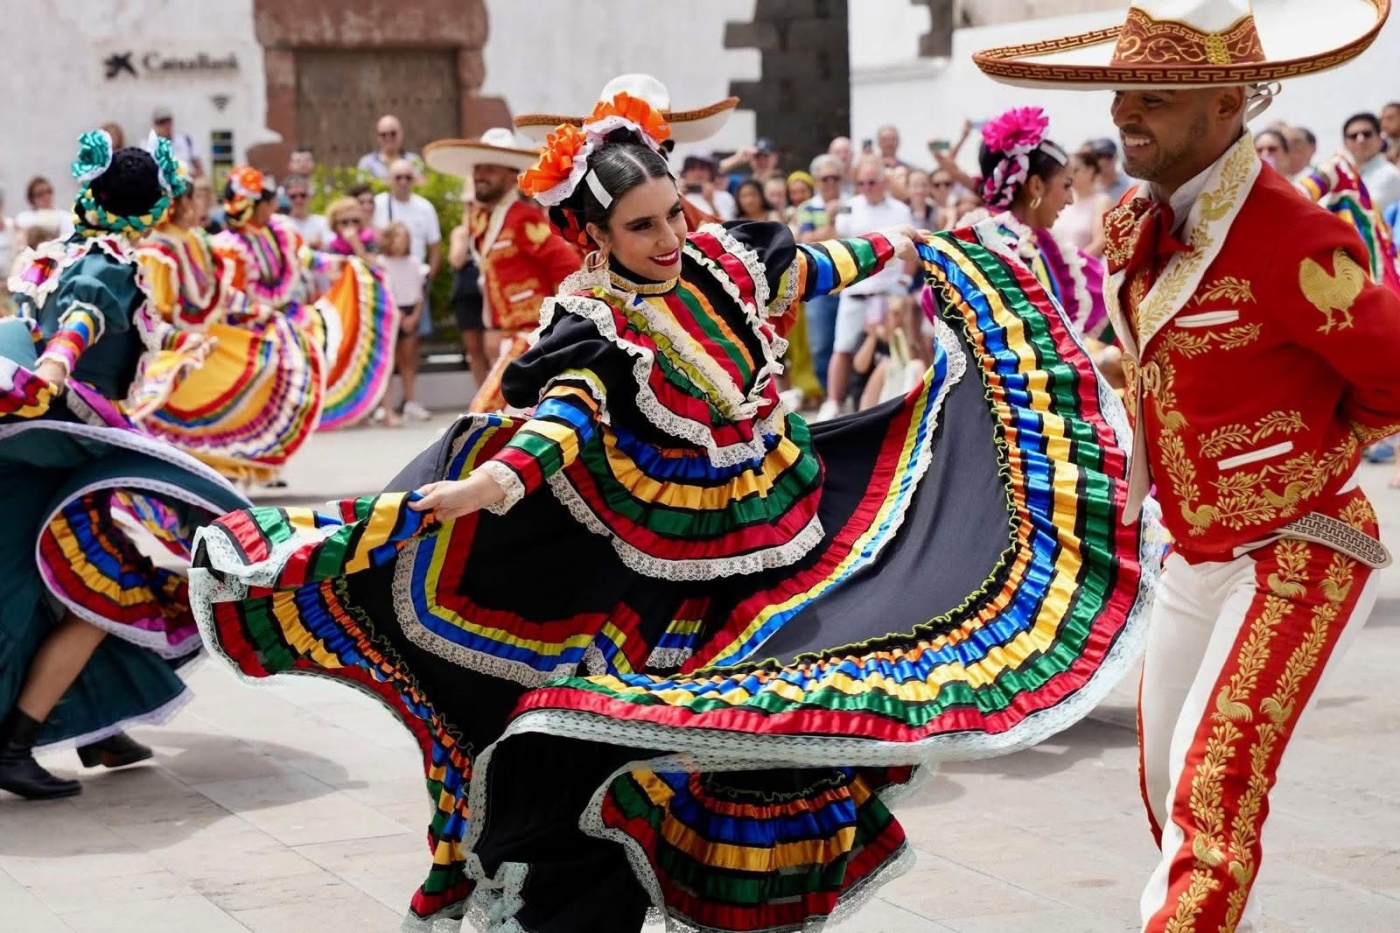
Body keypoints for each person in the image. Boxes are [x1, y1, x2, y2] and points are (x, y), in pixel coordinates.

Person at [190, 90, 1152, 933]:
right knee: (614, 760)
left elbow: (815, 266)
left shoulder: (724, 263)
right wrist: (490, 485)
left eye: (674, 214)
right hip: (655, 591)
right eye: (644, 228)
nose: (669, 239)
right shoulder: (595, 325)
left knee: (791, 735)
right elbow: (565, 420)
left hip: (781, 544)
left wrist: (917, 246)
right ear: (596, 237)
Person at [974, 2, 1400, 930]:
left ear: (1227, 105)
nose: (1127, 110)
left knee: (1214, 789)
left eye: (1155, 97)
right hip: (1190, 553)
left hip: (1299, 543)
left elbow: (1392, 371)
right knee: (1167, 779)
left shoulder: (1291, 233)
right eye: (1123, 90)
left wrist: (1306, 452)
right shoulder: (1136, 219)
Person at [0, 131, 247, 800]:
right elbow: (78, 324)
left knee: (65, 589)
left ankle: (97, 725)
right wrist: (51, 371)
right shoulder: (106, 266)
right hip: (66, 451)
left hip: (46, 452)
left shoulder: (56, 254)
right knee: (102, 592)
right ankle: (15, 743)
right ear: (149, 210)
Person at [136, 163, 325, 482]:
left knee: (271, 360)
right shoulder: (158, 250)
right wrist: (183, 342)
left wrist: (258, 311)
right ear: (179, 204)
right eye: (193, 199)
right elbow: (153, 314)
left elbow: (216, 293)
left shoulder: (195, 241)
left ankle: (212, 475)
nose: (199, 206)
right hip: (173, 348)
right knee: (165, 413)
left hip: (206, 339)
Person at [425, 127, 581, 413]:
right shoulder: (484, 221)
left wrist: (560, 326)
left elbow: (569, 267)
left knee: (482, 415)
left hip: (532, 337)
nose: (480, 175)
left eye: (490, 169)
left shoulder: (523, 219)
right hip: (510, 335)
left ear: (512, 177)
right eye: (478, 168)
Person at [209, 166, 328, 478]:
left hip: (278, 326)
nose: (275, 207)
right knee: (245, 404)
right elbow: (227, 297)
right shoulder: (225, 247)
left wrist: (341, 265)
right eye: (269, 202)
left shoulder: (280, 231)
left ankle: (269, 464)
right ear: (253, 205)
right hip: (242, 332)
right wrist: (259, 313)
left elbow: (303, 259)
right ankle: (242, 465)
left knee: (277, 399)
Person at [977, 107, 1112, 352]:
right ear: (1037, 186)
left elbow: (1110, 299)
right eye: (1066, 185)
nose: (1070, 200)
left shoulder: (1045, 246)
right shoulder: (1000, 248)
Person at [818, 154, 915, 420]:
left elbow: (913, 248)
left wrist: (904, 284)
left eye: (872, 182)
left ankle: (896, 399)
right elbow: (835, 242)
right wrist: (828, 220)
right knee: (843, 347)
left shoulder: (900, 210)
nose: (866, 188)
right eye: (861, 183)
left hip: (889, 291)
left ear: (884, 182)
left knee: (896, 346)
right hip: (856, 289)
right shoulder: (850, 206)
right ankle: (834, 401)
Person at [312, 197, 400, 431]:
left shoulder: (369, 241)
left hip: (372, 309)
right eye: (343, 222)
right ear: (334, 225)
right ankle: (357, 411)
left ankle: (387, 410)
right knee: (349, 358)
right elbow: (332, 277)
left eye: (354, 221)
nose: (349, 226)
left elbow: (377, 267)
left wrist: (357, 246)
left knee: (381, 358)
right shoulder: (332, 249)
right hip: (347, 312)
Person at [373, 159, 442, 421]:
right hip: (389, 298)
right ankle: (384, 404)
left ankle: (410, 401)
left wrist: (426, 279)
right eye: (397, 176)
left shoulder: (424, 207)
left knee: (411, 350)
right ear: (390, 179)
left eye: (407, 176)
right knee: (386, 355)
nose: (402, 181)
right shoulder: (379, 204)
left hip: (415, 288)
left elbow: (435, 246)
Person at [1055, 150, 1113, 256]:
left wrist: (1073, 263)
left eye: (1075, 170)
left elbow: (1101, 241)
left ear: (1090, 171)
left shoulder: (1101, 201)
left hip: (1084, 267)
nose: (1070, 176)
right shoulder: (1063, 198)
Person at [1342, 112, 1400, 211]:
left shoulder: (1392, 176)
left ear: (1380, 139)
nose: (1360, 140)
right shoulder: (1341, 175)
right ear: (1345, 143)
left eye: (1367, 134)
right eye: (1353, 136)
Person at [357, 114, 425, 181]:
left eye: (393, 134)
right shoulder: (366, 163)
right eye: (383, 135)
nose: (388, 138)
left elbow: (422, 185)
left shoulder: (414, 160)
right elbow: (362, 188)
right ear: (378, 138)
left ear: (401, 135)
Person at [147, 106, 203, 179]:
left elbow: (199, 167)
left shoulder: (185, 141)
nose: (166, 126)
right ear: (155, 125)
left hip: (186, 184)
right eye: (161, 123)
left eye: (168, 121)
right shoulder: (148, 146)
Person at [678, 151, 736, 220]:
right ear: (685, 173)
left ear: (711, 172)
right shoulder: (677, 196)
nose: (697, 173)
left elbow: (726, 226)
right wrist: (679, 197)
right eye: (692, 168)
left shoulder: (724, 197)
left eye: (702, 168)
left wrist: (711, 202)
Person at [14, 175, 74, 241]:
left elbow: (70, 237)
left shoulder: (64, 216)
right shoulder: (24, 218)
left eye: (49, 192)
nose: (46, 196)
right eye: (40, 194)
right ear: (31, 198)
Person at [281, 173, 330, 249]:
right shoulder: (281, 224)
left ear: (310, 196)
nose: (298, 200)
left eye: (303, 195)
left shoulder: (323, 221)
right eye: (293, 196)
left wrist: (319, 245)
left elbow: (331, 248)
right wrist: (308, 244)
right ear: (286, 198)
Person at [1085, 136, 1133, 202]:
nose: (1103, 161)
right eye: (1099, 156)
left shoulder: (1130, 185)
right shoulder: (1086, 188)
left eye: (1108, 156)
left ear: (1116, 157)